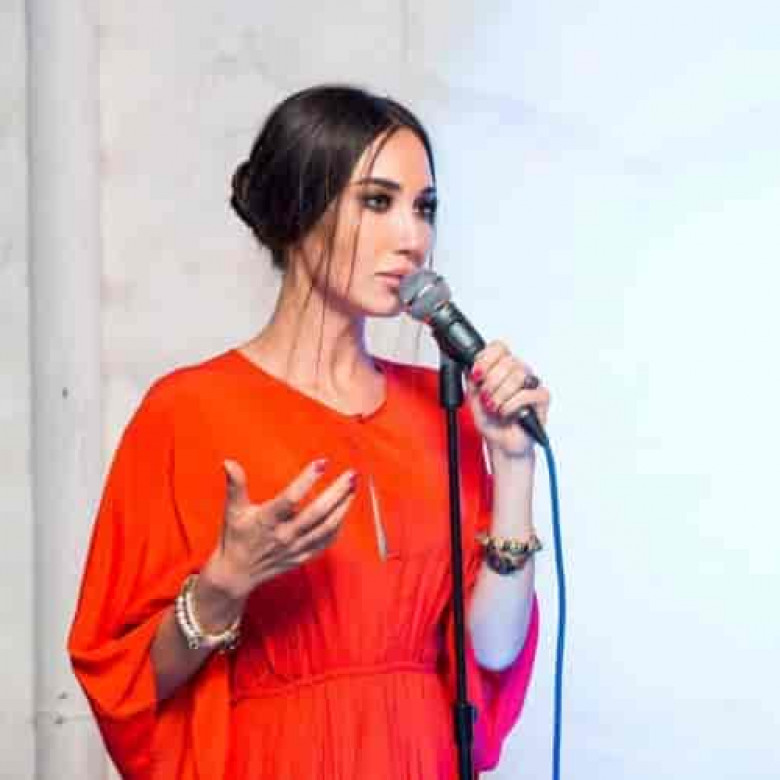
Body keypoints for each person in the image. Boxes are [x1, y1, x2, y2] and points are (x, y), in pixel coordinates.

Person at [68, 84, 550, 780]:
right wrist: (224, 585)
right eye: (377, 202)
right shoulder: (187, 412)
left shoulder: (442, 408)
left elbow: (494, 652)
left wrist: (513, 467)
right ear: (299, 208)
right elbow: (127, 684)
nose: (413, 238)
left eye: (424, 208)